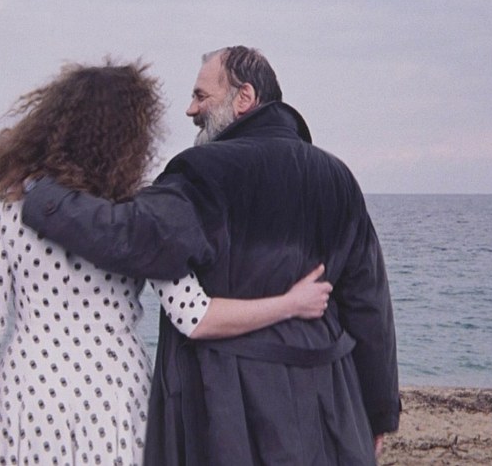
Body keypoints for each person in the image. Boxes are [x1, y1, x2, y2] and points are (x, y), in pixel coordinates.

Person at [21, 46, 401, 465]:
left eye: (201, 96)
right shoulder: (338, 177)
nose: (190, 109)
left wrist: (42, 196)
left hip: (230, 408)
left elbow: (131, 233)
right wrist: (379, 411)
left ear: (244, 97)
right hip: (330, 403)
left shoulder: (204, 171)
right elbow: (369, 305)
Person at [0, 60, 334, 466]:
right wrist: (289, 304)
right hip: (114, 396)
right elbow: (196, 317)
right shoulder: (142, 209)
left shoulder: (12, 203)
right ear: (132, 135)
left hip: (32, 394)